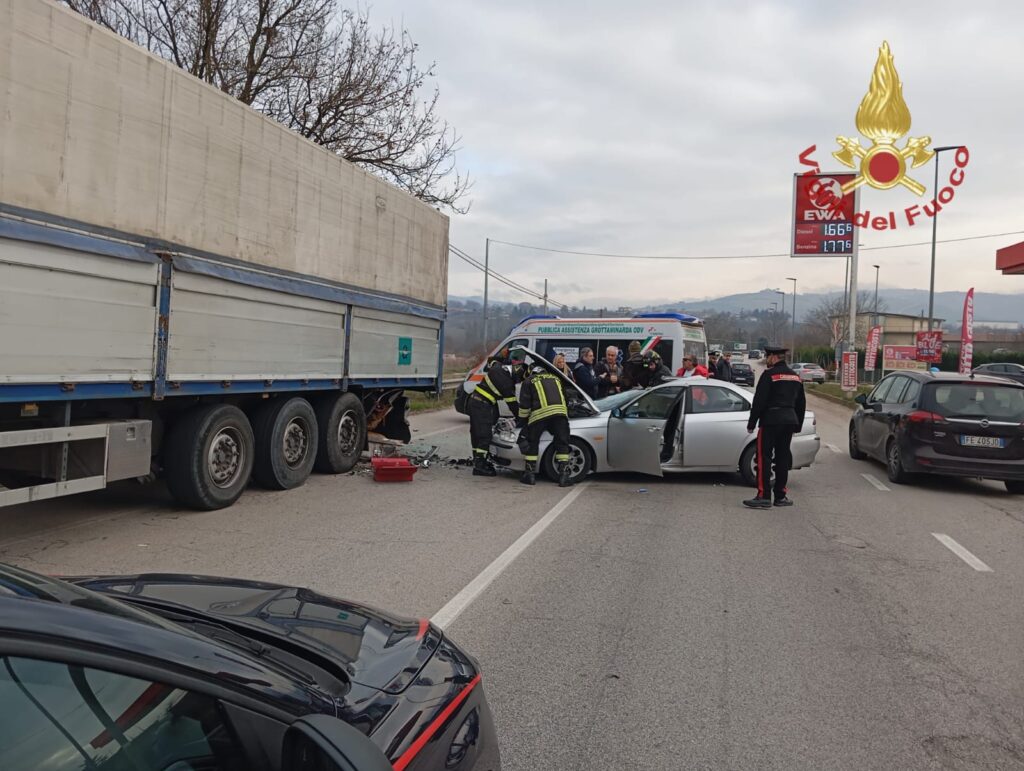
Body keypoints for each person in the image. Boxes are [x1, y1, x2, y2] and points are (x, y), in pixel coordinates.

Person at [743, 344, 806, 509]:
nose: (766, 360)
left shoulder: (769, 375)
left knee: (764, 457)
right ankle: (780, 495)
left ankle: (763, 496)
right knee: (783, 458)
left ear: (773, 357)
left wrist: (752, 423)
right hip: (789, 422)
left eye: (768, 357)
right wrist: (797, 424)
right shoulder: (795, 377)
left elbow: (759, 401)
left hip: (771, 421)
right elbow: (801, 403)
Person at [467, 348, 523, 477]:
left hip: (474, 402)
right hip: (482, 405)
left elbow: (492, 361)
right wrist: (522, 417)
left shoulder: (498, 367)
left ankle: (478, 459)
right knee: (485, 435)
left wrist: (504, 355)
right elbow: (513, 405)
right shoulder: (506, 383)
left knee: (476, 432)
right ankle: (480, 466)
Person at [517, 364, 572, 487]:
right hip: (560, 414)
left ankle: (529, 475)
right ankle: (564, 476)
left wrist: (522, 420)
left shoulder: (529, 381)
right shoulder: (556, 378)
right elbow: (566, 399)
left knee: (533, 442)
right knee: (562, 442)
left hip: (539, 415)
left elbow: (524, 405)